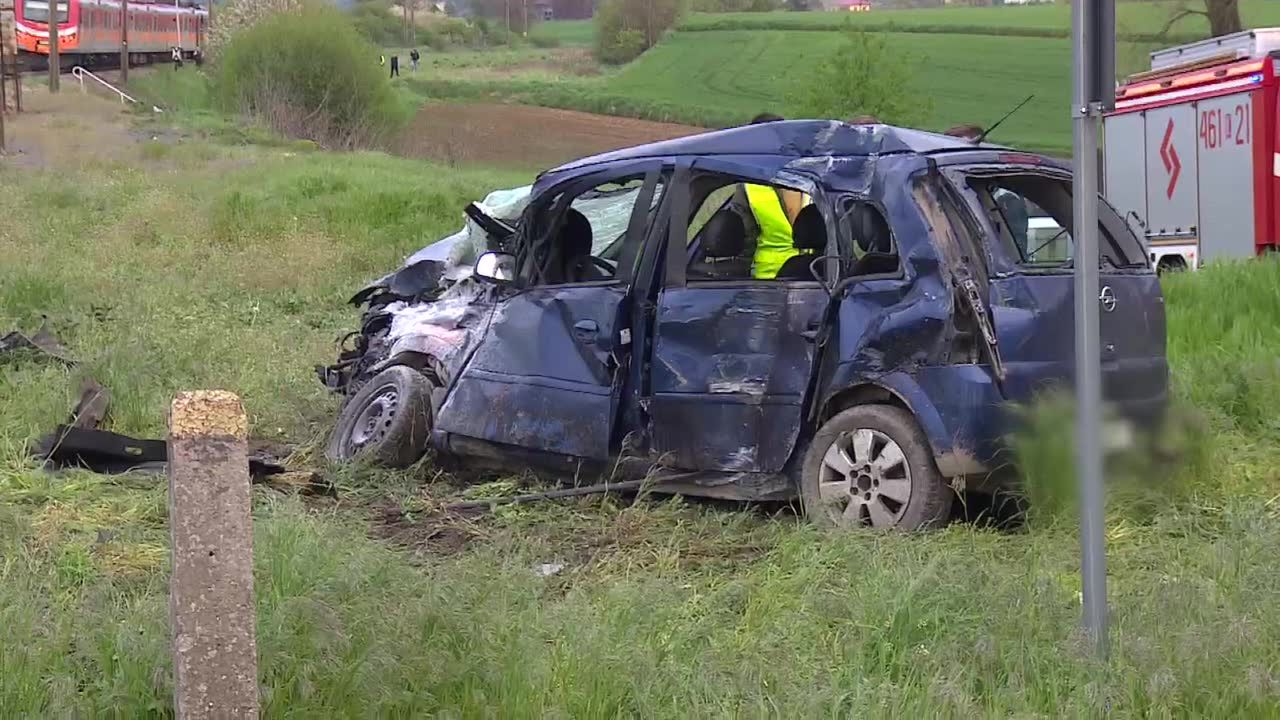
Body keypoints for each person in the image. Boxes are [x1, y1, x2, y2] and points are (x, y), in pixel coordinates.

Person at [731, 113, 810, 279]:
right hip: (816, 276)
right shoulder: (813, 180)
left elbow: (741, 245)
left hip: (768, 284)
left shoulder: (749, 188)